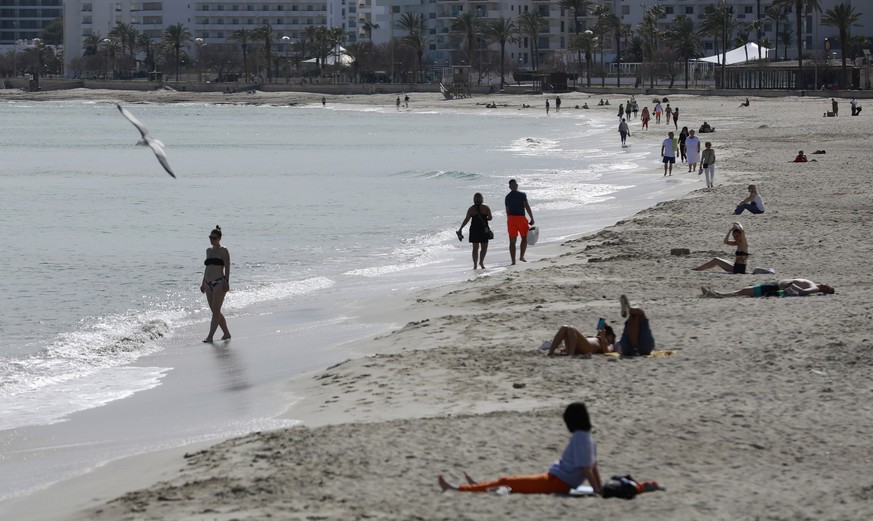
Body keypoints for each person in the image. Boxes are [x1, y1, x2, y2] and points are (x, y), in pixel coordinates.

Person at [438, 402, 602, 495]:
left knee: (507, 482)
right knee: (510, 482)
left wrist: (596, 491)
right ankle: (478, 485)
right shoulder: (588, 437)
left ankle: (458, 488)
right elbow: (593, 466)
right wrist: (599, 488)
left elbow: (587, 468)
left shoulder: (580, 437)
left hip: (557, 483)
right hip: (556, 480)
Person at [201, 225, 231, 343]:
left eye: (214, 238)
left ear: (219, 238)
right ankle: (226, 333)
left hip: (219, 282)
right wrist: (203, 283)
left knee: (216, 310)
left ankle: (210, 337)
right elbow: (207, 269)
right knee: (215, 311)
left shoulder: (223, 250)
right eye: (210, 237)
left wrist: (227, 281)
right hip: (208, 283)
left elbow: (227, 267)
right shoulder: (208, 251)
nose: (211, 240)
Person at [458, 193, 493, 270]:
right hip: (484, 229)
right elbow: (490, 218)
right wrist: (485, 219)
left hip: (474, 229)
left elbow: (467, 219)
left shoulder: (471, 209)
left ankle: (475, 265)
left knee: (475, 248)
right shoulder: (486, 208)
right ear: (482, 199)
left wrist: (460, 228)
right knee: (484, 247)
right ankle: (481, 262)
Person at [701, 279, 835, 298]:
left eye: (828, 287)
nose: (826, 285)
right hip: (774, 285)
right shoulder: (814, 284)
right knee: (745, 290)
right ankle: (716, 293)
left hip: (775, 288)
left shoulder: (815, 288)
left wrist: (791, 285)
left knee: (744, 291)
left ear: (825, 290)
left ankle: (716, 294)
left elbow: (804, 292)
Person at [505, 179, 535, 265]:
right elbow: (527, 207)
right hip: (520, 218)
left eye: (515, 185)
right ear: (510, 187)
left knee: (512, 241)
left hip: (511, 219)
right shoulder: (522, 195)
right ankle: (521, 256)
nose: (515, 186)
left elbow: (507, 210)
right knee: (524, 238)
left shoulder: (507, 197)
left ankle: (513, 261)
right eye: (514, 185)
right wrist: (532, 218)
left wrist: (509, 220)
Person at [546, 323, 616, 356]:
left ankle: (571, 354)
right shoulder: (596, 337)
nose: (607, 334)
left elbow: (606, 352)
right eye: (606, 331)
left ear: (613, 337)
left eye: (609, 333)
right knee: (564, 327)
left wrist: (603, 338)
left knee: (571, 328)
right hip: (578, 346)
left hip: (588, 348)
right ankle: (551, 352)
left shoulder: (611, 345)